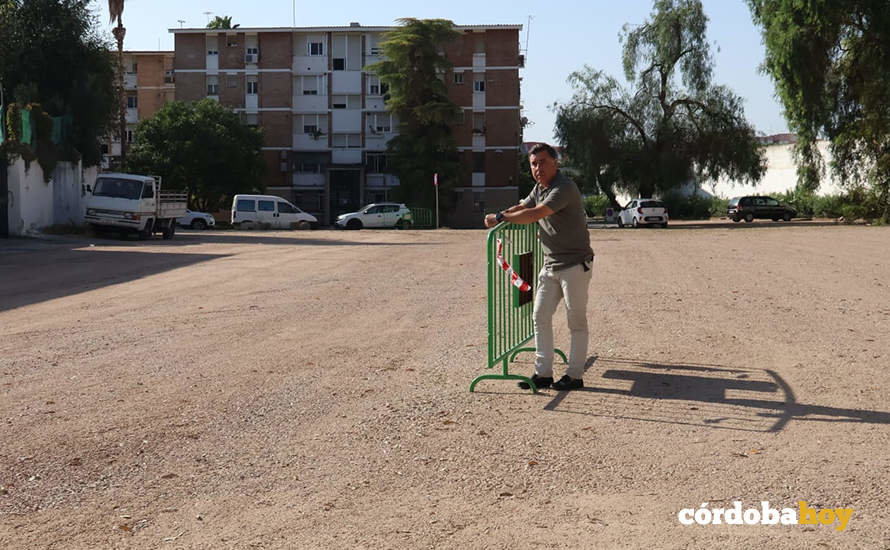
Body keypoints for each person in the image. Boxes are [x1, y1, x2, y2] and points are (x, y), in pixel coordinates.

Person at [484, 143, 594, 391]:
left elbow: (535, 214)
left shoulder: (563, 188)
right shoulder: (539, 188)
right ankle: (543, 374)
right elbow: (523, 206)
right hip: (551, 264)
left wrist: (499, 219)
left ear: (556, 163)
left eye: (542, 162)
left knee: (575, 321)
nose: (537, 168)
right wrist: (500, 213)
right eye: (533, 164)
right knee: (540, 316)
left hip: (575, 265)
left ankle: (575, 376)